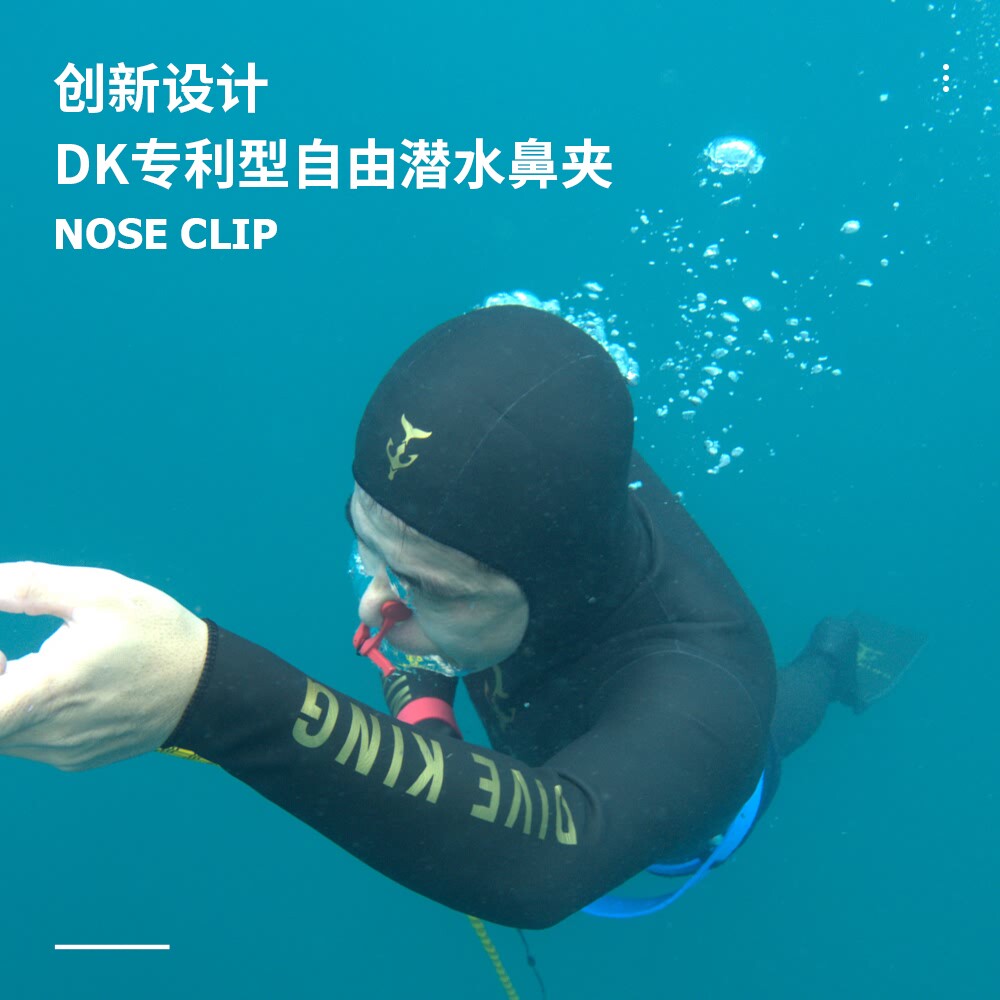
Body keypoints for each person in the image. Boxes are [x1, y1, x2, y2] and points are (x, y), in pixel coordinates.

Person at [0, 305, 918, 928]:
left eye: (427, 587)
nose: (377, 599)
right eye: (367, 546)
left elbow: (552, 854)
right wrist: (425, 684)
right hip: (528, 666)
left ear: (548, 581)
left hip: (690, 788)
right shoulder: (505, 514)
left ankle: (836, 660)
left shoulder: (705, 687)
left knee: (772, 728)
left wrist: (202, 692)